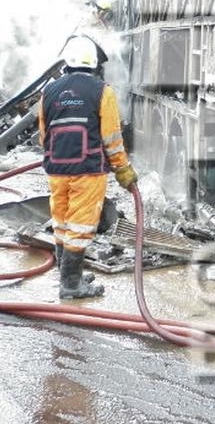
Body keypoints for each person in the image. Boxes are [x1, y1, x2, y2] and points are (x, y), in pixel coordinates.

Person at [38, 36, 138, 300]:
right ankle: (71, 285)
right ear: (94, 64)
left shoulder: (48, 91)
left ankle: (68, 273)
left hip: (56, 169)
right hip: (88, 170)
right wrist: (123, 170)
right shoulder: (102, 91)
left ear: (67, 63)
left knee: (61, 220)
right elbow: (111, 138)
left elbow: (42, 134)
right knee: (81, 226)